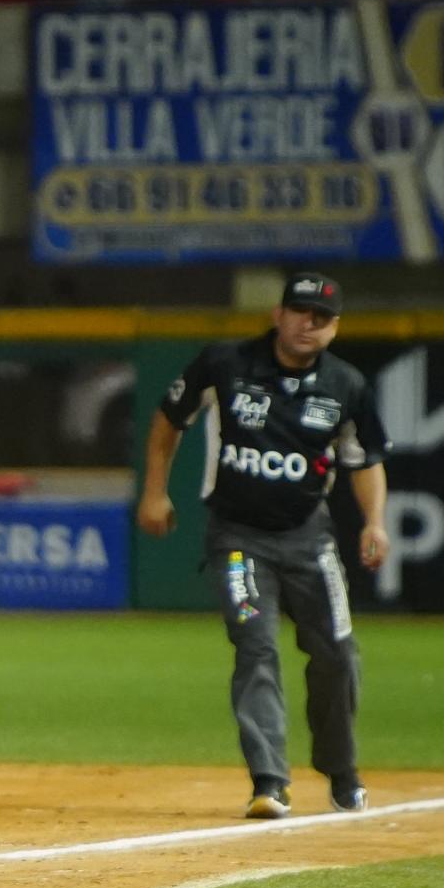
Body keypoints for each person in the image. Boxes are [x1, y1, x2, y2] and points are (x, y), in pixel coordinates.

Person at [137, 274, 389, 820]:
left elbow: (363, 460)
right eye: (299, 312)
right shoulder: (227, 364)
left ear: (335, 326)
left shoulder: (346, 385)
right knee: (256, 647)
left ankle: (342, 772)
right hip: (238, 537)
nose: (308, 324)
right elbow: (168, 419)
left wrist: (375, 522)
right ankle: (269, 780)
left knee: (337, 654)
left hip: (309, 539)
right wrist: (155, 491)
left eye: (321, 318)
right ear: (278, 314)